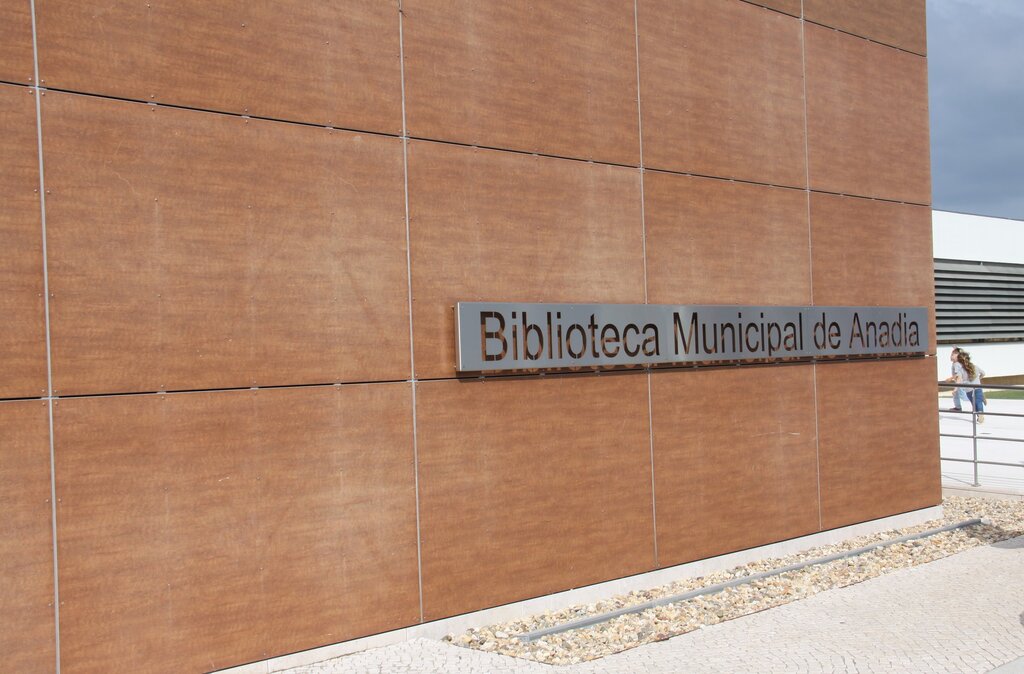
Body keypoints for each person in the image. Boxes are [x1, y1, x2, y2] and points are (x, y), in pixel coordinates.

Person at [957, 349, 985, 423]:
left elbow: (959, 379)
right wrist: (979, 378)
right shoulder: (975, 367)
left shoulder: (961, 370)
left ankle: (978, 415)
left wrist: (956, 387)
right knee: (979, 401)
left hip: (968, 390)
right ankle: (981, 413)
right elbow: (983, 373)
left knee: (974, 403)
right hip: (977, 387)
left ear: (960, 362)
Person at [945, 347, 967, 411]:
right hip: (958, 382)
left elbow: (958, 375)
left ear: (958, 357)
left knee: (964, 397)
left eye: (953, 355)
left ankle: (977, 398)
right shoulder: (955, 364)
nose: (951, 356)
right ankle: (958, 407)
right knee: (956, 395)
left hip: (960, 383)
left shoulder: (956, 364)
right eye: (951, 354)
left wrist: (950, 378)